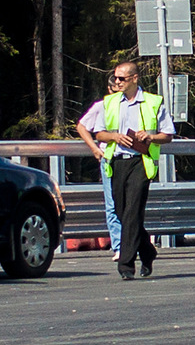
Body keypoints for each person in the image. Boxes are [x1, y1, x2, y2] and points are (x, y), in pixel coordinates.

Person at [92, 62, 175, 280]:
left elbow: (167, 135)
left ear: (135, 79)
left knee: (132, 212)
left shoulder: (153, 102)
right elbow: (99, 133)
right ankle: (148, 252)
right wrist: (115, 137)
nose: (117, 82)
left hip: (141, 161)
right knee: (121, 212)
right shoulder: (109, 102)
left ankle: (125, 265)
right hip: (117, 162)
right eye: (115, 78)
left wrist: (150, 137)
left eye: (122, 79)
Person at [76, 75, 122, 262]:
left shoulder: (134, 105)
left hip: (132, 158)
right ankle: (119, 246)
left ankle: (133, 244)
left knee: (130, 204)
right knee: (112, 204)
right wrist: (94, 148)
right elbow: (82, 126)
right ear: (109, 89)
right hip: (109, 158)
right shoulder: (101, 106)